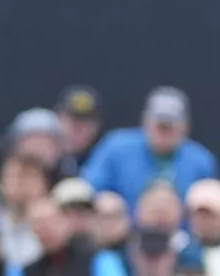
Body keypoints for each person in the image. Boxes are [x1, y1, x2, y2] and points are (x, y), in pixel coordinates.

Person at [83, 87, 218, 208]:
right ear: (145, 123)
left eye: (169, 127)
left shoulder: (200, 161)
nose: (163, 133)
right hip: (122, 232)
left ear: (185, 128)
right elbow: (88, 189)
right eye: (159, 126)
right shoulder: (116, 147)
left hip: (181, 234)